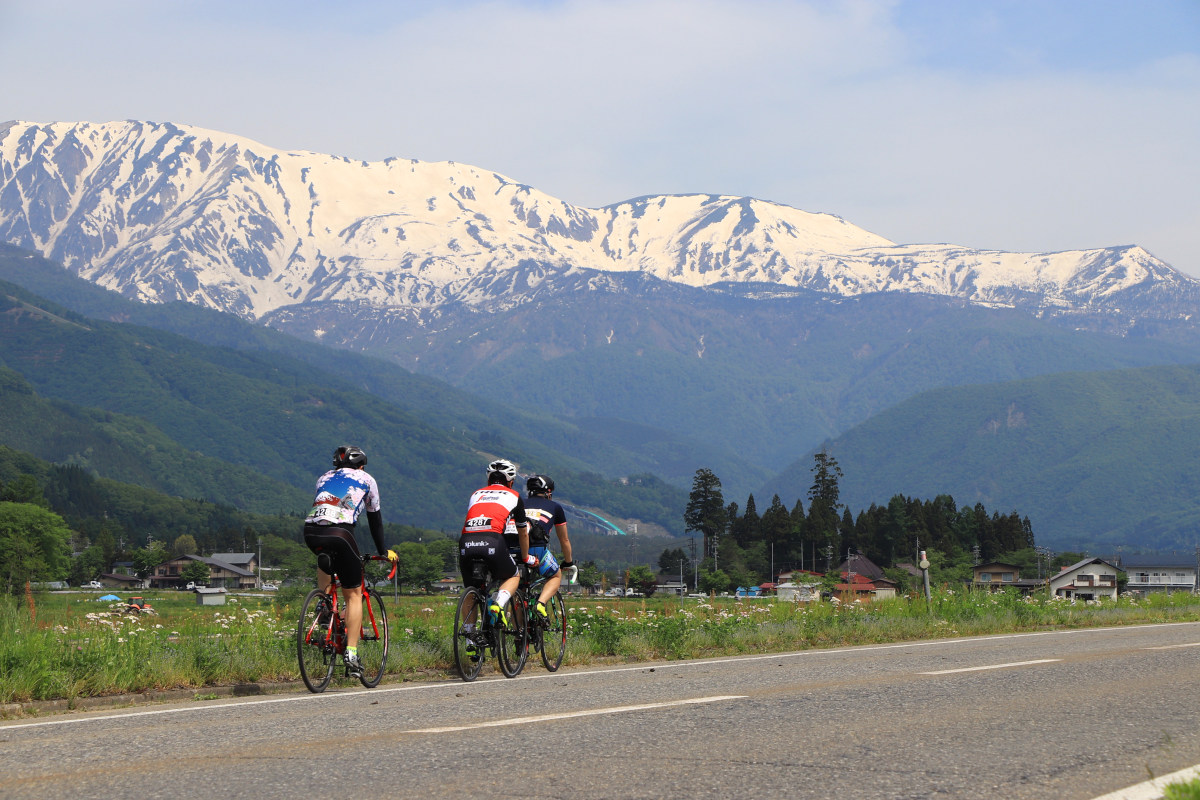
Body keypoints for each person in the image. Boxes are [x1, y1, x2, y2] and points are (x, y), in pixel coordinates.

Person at [303, 445, 397, 678]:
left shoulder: (324, 477)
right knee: (354, 594)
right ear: (361, 465)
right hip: (341, 533)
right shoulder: (366, 478)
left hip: (311, 532)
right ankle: (352, 654)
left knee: (324, 557)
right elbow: (375, 519)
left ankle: (324, 606)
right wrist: (382, 550)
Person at [458, 458, 535, 655]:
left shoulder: (476, 494)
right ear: (511, 481)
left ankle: (469, 639)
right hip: (492, 540)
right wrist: (525, 557)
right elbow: (523, 532)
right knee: (513, 575)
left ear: (488, 478)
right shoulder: (515, 496)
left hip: (466, 542)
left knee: (472, 589)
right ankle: (499, 604)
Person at [520, 474, 576, 621]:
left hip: (514, 550)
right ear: (548, 492)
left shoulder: (519, 503)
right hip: (536, 550)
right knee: (555, 575)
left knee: (518, 592)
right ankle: (540, 603)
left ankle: (520, 637)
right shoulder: (555, 507)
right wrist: (568, 562)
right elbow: (564, 539)